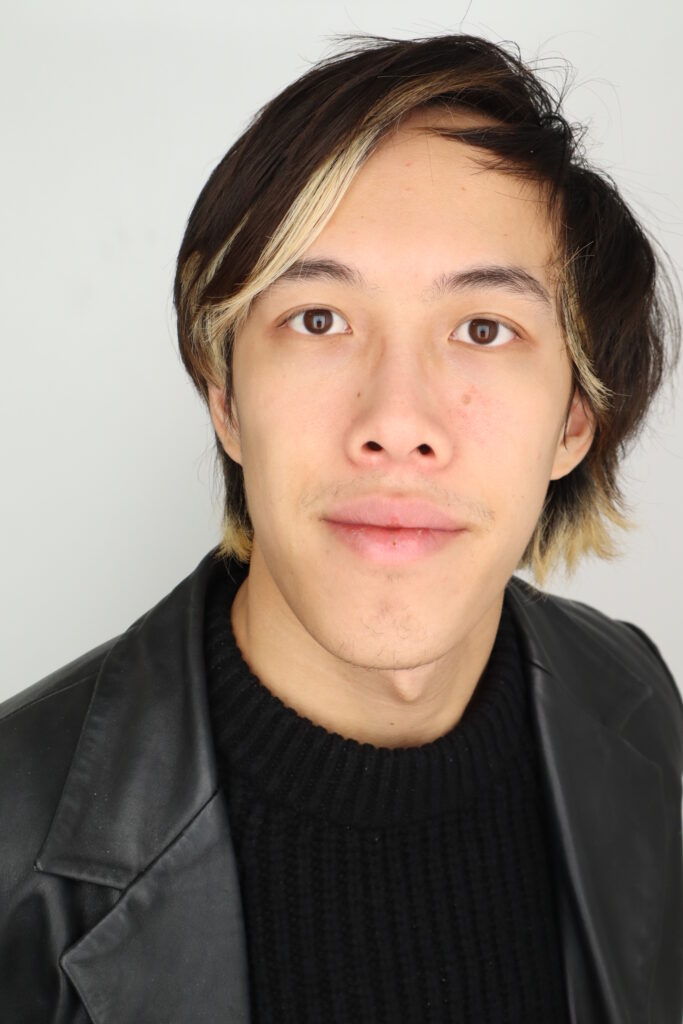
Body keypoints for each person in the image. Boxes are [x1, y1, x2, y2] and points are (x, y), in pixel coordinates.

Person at [1, 31, 681, 1024]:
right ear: (226, 397)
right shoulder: (12, 834)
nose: (395, 422)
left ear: (574, 420)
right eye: (317, 319)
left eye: (483, 329)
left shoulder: (638, 700)